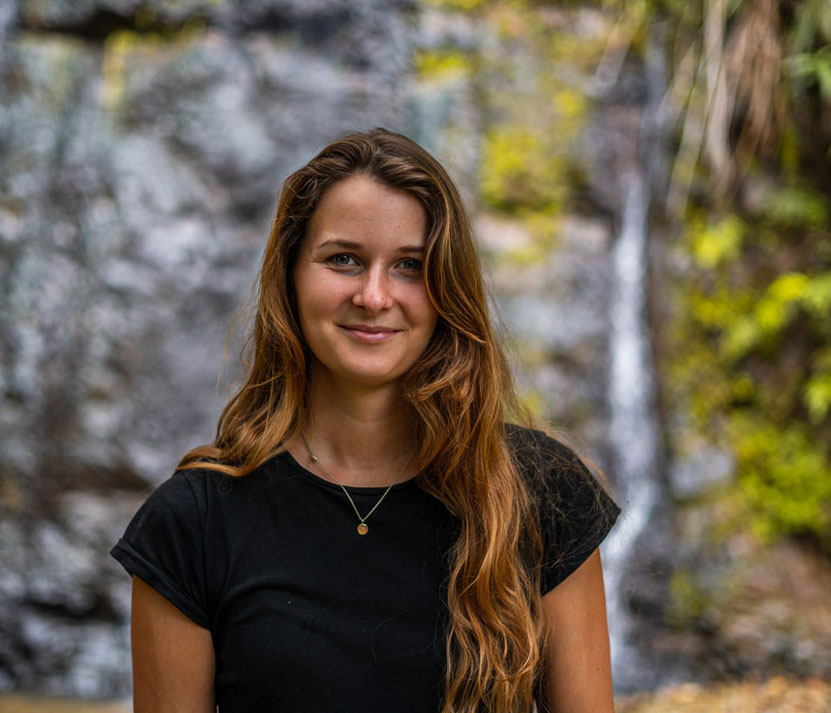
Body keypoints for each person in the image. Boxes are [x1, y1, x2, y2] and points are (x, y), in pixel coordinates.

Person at [111, 128, 621, 713]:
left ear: (446, 290)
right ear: (291, 275)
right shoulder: (191, 525)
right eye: (344, 259)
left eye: (410, 265)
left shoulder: (540, 491)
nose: (375, 296)